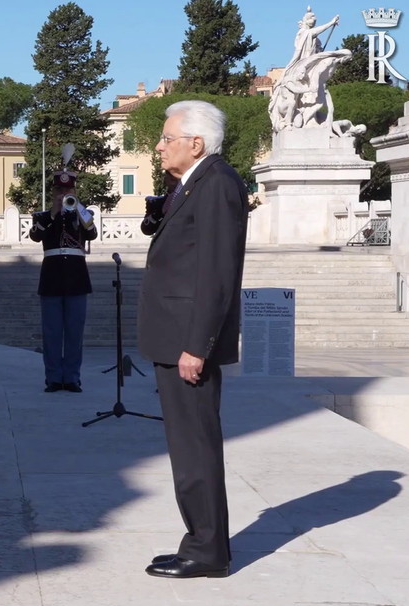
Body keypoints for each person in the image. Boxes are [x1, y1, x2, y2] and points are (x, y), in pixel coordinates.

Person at [138, 100, 248, 579]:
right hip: (175, 338)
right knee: (187, 447)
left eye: (167, 138)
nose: (159, 145)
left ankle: (207, 553)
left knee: (195, 447)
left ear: (195, 143)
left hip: (188, 343)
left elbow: (217, 273)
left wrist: (197, 345)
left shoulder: (218, 184)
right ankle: (201, 541)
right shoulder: (194, 184)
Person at [29, 169, 97, 393]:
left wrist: (77, 207)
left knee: (74, 332)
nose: (64, 193)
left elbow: (92, 233)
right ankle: (53, 378)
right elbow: (36, 235)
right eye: (60, 190)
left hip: (76, 278)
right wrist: (53, 213)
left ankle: (72, 377)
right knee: (52, 332)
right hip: (51, 278)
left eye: (68, 189)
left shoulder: (82, 214)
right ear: (53, 192)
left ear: (74, 190)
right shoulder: (43, 216)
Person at [140, 172, 179, 237]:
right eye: (170, 175)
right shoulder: (157, 203)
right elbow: (146, 229)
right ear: (165, 179)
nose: (173, 178)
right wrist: (157, 214)